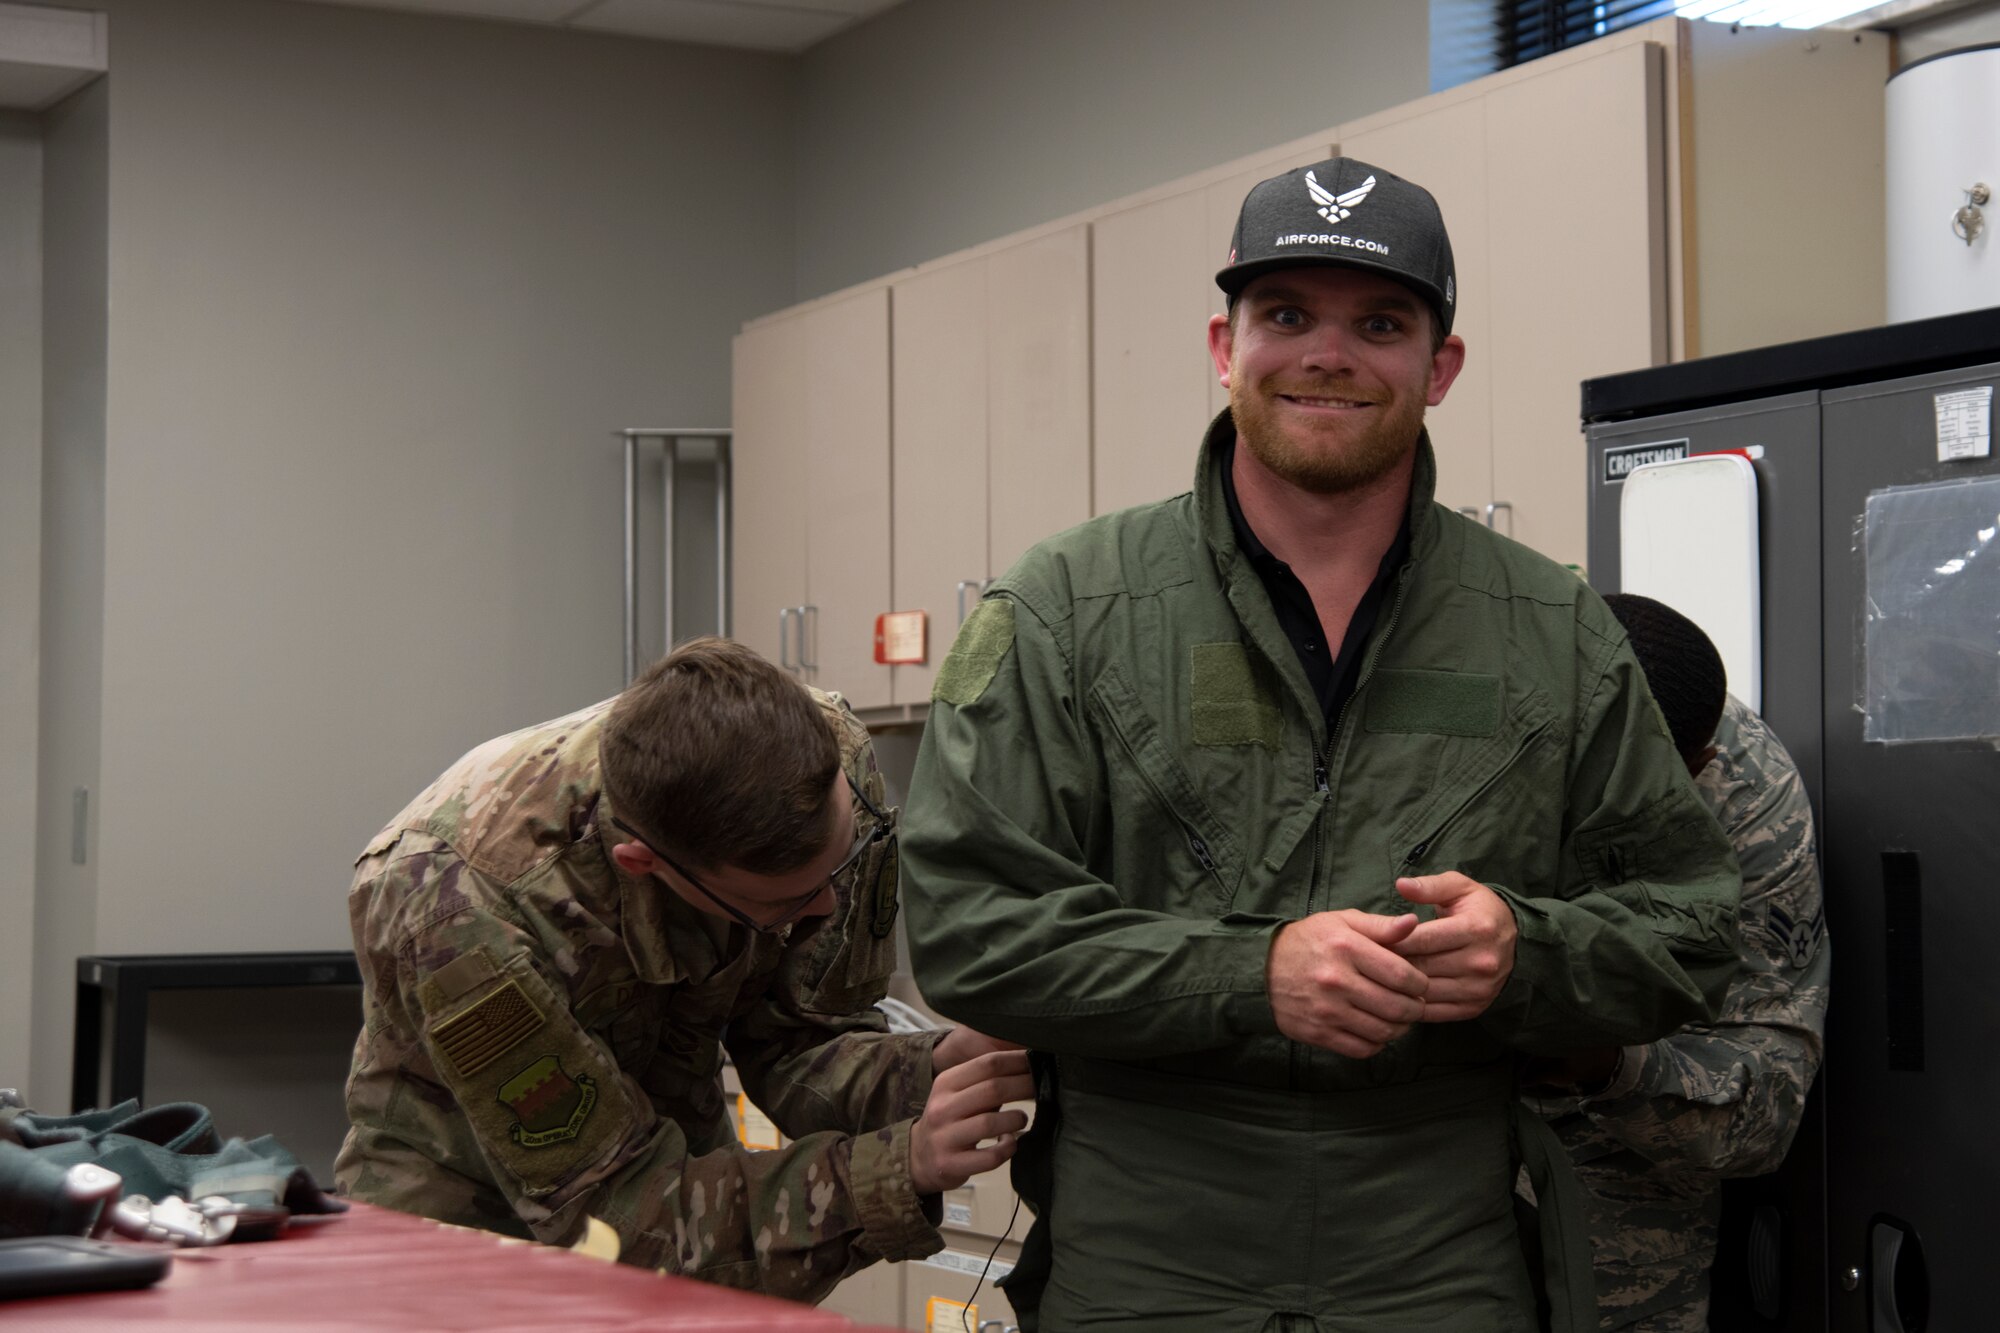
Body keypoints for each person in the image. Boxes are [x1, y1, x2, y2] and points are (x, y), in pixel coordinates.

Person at [898, 157, 1744, 1333]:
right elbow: (964, 927)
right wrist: (1251, 973)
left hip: (1434, 1260)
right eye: (1284, 314)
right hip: (1145, 1259)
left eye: (1379, 323)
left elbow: (1696, 923)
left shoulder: (1550, 631)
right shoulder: (1064, 609)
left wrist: (1525, 952)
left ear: (1437, 367)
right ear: (1221, 344)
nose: (1327, 354)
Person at [336, 637, 1030, 1302]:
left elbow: (800, 1042)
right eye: (782, 904)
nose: (823, 908)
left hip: (677, 1180)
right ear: (647, 864)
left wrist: (936, 1066)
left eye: (836, 870)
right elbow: (617, 1220)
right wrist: (897, 1167)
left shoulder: (827, 763)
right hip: (464, 1238)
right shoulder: (458, 907)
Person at [1525, 593, 1828, 1332]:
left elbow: (1767, 1107)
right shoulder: (1441, 729)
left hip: (1619, 1117)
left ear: (1696, 766)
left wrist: (1608, 1063)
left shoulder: (1745, 800)